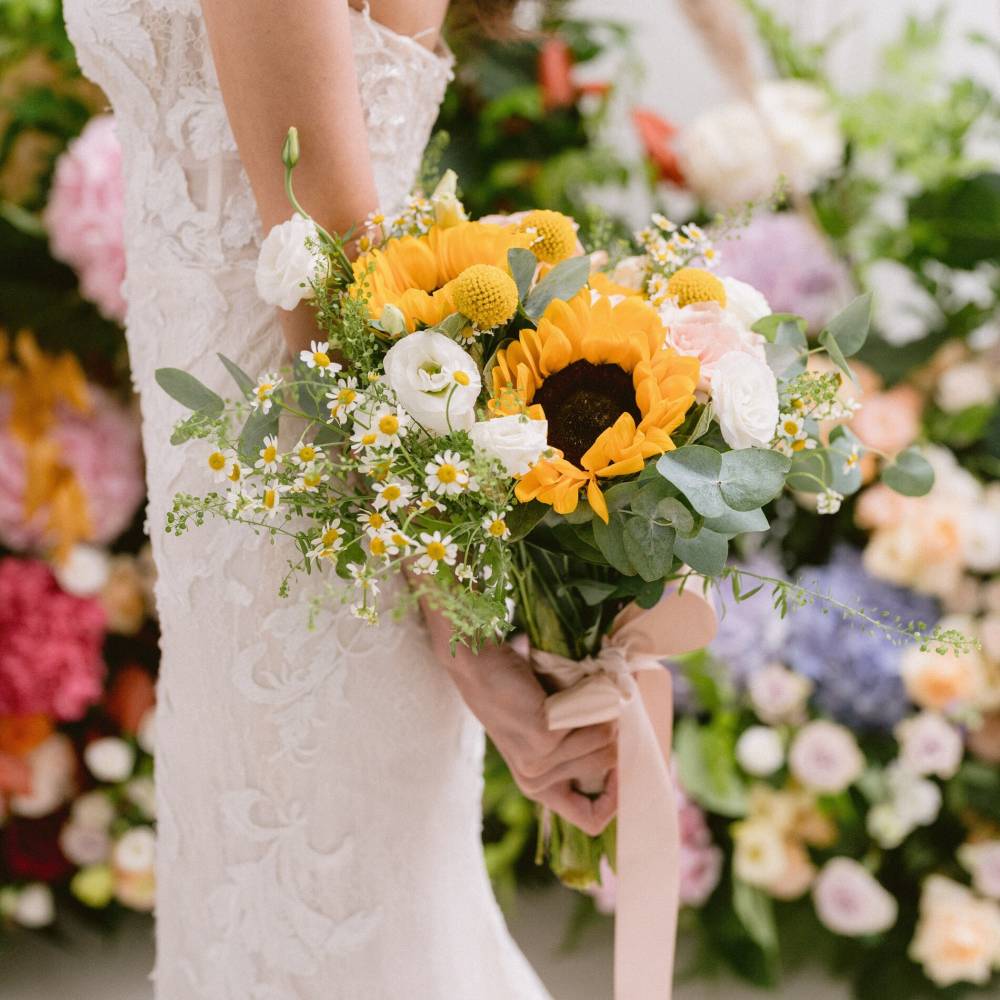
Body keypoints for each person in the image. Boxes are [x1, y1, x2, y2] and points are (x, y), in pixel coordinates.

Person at [61, 1, 617, 995]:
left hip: (316, 500)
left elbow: (330, 270)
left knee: (326, 915)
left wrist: (461, 618)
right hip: (267, 501)